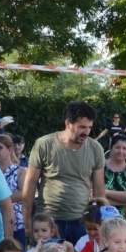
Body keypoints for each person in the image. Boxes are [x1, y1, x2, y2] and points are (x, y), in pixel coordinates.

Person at [22, 101, 106, 244]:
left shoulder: (95, 148)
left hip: (82, 221)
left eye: (89, 127)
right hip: (48, 221)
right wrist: (27, 223)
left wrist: (100, 223)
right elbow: (30, 185)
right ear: (68, 123)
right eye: (82, 127)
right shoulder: (44, 144)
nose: (86, 132)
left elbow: (99, 191)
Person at [0, 135, 27, 247]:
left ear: (9, 149)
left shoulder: (20, 171)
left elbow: (24, 194)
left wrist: (0, 199)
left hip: (16, 223)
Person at [103, 135, 126, 217]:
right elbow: (93, 196)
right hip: (100, 219)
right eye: (117, 147)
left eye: (124, 148)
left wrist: (105, 192)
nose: (121, 151)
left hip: (124, 220)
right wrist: (124, 199)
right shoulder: (100, 167)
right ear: (111, 148)